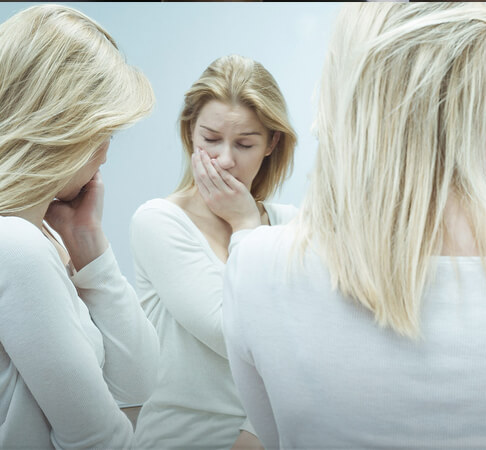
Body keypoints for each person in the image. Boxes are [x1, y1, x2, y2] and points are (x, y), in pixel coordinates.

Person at [222, 3, 486, 449]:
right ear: (479, 117)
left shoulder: (257, 265)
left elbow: (279, 436)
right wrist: (474, 203)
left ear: (346, 100)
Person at [0, 4, 159, 448]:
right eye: (103, 132)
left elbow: (142, 379)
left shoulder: (39, 239)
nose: (106, 154)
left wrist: (90, 244)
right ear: (63, 125)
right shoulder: (16, 246)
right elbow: (98, 439)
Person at [130, 54, 297, 449]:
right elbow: (235, 334)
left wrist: (254, 432)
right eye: (210, 139)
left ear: (272, 143)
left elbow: (316, 344)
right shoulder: (158, 221)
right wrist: (244, 226)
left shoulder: (292, 225)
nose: (224, 159)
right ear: (190, 133)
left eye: (244, 143)